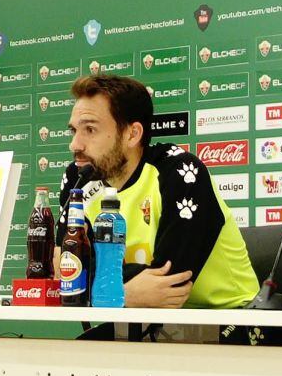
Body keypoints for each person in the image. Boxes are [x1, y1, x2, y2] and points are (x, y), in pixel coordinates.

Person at [55, 75, 258, 310]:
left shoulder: (180, 172)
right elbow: (67, 272)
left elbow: (170, 282)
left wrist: (98, 281)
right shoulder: (78, 179)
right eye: (74, 131)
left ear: (132, 134)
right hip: (147, 328)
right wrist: (124, 294)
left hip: (232, 321)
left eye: (90, 129)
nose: (75, 145)